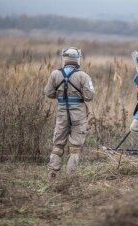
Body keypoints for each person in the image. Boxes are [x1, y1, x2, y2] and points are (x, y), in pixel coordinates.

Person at [44, 47, 95, 179]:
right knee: (75, 146)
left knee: (58, 143)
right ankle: (70, 176)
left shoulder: (55, 74)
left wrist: (61, 95)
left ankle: (52, 173)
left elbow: (49, 93)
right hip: (78, 114)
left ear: (64, 59)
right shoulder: (83, 76)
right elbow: (89, 96)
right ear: (78, 59)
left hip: (62, 113)